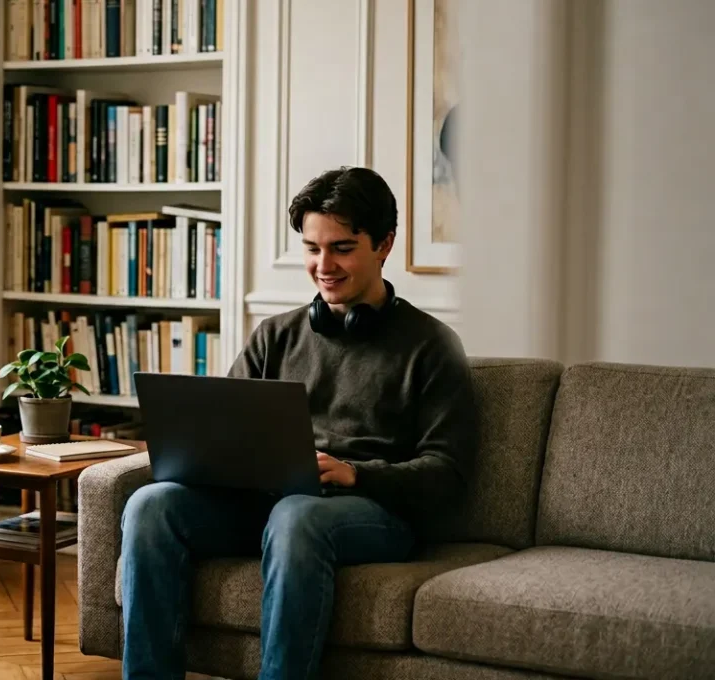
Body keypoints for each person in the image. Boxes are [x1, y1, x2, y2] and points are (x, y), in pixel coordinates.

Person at [119, 167, 477, 679]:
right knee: (151, 504)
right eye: (312, 248)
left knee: (296, 516)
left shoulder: (432, 346)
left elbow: (449, 474)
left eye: (342, 248)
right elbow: (224, 432)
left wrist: (358, 473)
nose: (323, 265)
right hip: (265, 504)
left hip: (370, 513)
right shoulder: (275, 336)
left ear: (385, 244)